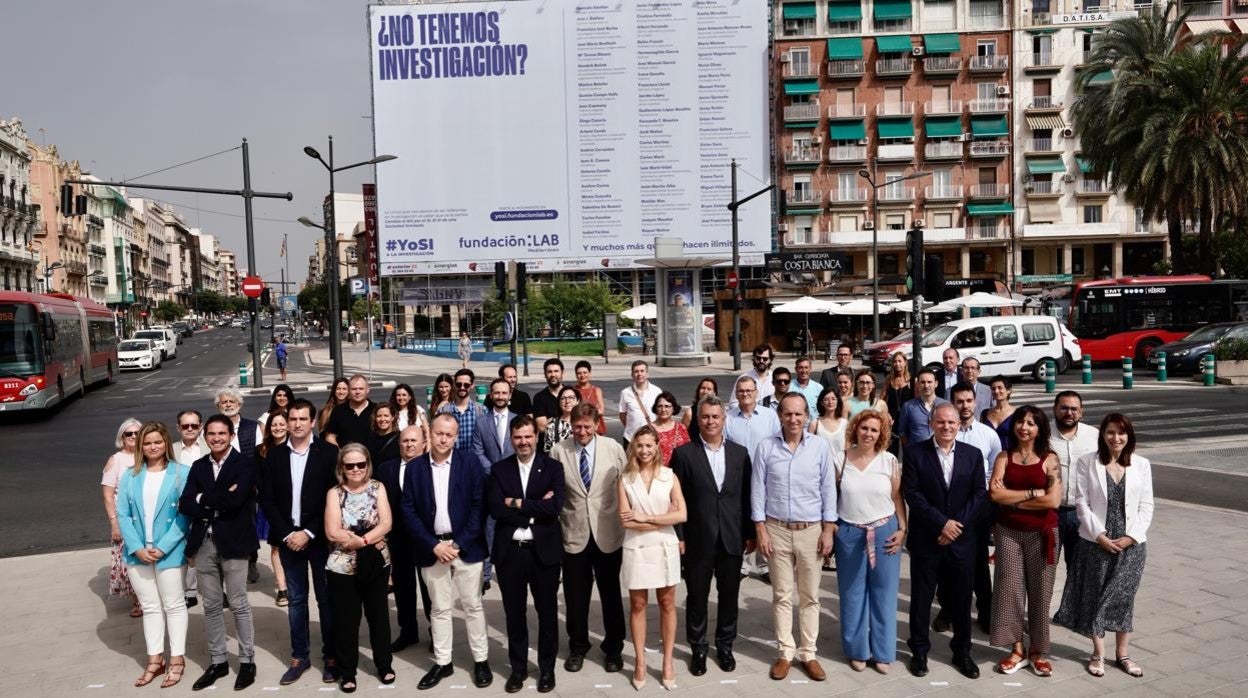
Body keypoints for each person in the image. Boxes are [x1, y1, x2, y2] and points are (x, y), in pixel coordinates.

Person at [1053, 413, 1153, 679]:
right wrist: (1099, 535)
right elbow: (1081, 503)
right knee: (1096, 597)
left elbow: (1146, 506)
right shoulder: (1089, 462)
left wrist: (1131, 536)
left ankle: (1123, 654)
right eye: (1110, 432)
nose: (1115, 438)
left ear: (1129, 436)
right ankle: (1097, 653)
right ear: (1103, 435)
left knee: (1123, 599)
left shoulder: (1141, 465)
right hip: (1096, 542)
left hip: (1131, 545)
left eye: (1121, 433)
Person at [402, 414, 492, 690]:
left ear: (455, 437)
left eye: (448, 435)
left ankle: (481, 661)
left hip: (465, 547)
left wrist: (457, 544)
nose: (443, 439)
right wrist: (434, 544)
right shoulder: (415, 468)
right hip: (433, 549)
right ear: (431, 434)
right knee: (439, 609)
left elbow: (480, 506)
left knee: (473, 606)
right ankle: (443, 662)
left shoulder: (470, 463)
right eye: (439, 433)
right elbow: (408, 510)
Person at [751, 393, 837, 682]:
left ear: (806, 416)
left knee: (811, 596)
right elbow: (758, 490)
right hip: (776, 530)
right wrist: (760, 528)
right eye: (788, 414)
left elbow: (828, 490)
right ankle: (785, 653)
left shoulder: (820, 447)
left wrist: (828, 529)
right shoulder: (766, 448)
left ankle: (808, 653)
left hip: (811, 530)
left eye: (798, 414)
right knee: (781, 595)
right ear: (780, 416)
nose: (793, 419)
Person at [259, 398, 341, 685]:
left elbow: (334, 499)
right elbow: (267, 499)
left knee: (326, 599)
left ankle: (331, 656)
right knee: (296, 600)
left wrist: (308, 532)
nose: (296, 424)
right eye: (292, 419)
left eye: (302, 419)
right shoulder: (276, 455)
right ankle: (299, 656)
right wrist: (287, 534)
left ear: (312, 421)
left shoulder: (329, 454)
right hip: (288, 540)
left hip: (318, 540)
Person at [670, 396, 753, 677]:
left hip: (731, 538)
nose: (710, 422)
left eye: (716, 417)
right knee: (697, 597)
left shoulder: (740, 454)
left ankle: (725, 645)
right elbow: (675, 499)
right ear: (698, 419)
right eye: (705, 417)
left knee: (729, 595)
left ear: (723, 419)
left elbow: (746, 496)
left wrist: (750, 534)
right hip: (698, 539)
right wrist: (679, 536)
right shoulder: (683, 454)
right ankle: (699, 648)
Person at [902, 403, 985, 680]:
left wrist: (955, 526)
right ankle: (919, 651)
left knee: (961, 598)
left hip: (961, 540)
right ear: (931, 424)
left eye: (951, 422)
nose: (946, 427)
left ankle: (962, 651)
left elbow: (978, 494)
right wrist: (942, 523)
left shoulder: (973, 455)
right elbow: (912, 494)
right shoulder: (915, 453)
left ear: (958, 425)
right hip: (927, 538)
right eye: (941, 422)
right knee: (922, 599)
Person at [179, 414, 259, 691]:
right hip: (204, 543)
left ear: (231, 436)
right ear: (205, 436)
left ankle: (247, 661)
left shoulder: (244, 464)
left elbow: (237, 501)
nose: (216, 438)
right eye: (211, 434)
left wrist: (204, 497)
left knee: (238, 602)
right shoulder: (199, 466)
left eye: (221, 434)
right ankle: (218, 661)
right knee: (211, 605)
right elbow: (185, 503)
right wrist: (216, 498)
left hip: (234, 542)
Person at [487, 416, 566, 694]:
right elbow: (496, 509)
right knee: (514, 615)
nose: (523, 442)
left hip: (543, 553)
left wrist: (517, 503)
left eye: (528, 436)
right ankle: (518, 669)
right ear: (512, 439)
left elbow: (554, 507)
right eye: (518, 437)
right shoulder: (499, 470)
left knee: (547, 614)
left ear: (536, 437)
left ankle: (547, 669)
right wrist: (534, 507)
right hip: (511, 554)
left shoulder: (553, 467)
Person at [550, 403, 627, 674]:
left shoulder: (614, 449)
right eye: (577, 426)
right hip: (574, 533)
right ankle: (578, 646)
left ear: (597, 425)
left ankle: (614, 648)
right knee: (575, 596)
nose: (582, 431)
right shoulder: (559, 450)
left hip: (608, 533)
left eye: (587, 426)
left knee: (610, 595)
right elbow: (554, 493)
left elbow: (626, 485)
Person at [116, 422, 192, 688]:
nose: (153, 447)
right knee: (150, 607)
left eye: (158, 442)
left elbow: (185, 515)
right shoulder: (130, 475)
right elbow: (123, 514)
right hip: (138, 552)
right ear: (140, 446)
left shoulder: (181, 473)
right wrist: (137, 547)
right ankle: (155, 660)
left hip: (169, 551)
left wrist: (163, 547)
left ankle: (177, 660)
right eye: (147, 443)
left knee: (174, 605)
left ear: (166, 443)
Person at [988, 404, 1062, 677]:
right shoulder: (1004, 457)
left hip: (1043, 534)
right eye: (1020, 422)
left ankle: (1039, 651)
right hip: (1007, 532)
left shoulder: (1049, 459)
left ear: (1040, 428)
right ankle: (1017, 648)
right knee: (1009, 591)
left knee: (1041, 593)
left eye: (1031, 423)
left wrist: (1013, 498)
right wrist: (1033, 492)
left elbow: (1053, 500)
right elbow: (995, 496)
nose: (1024, 427)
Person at [835, 410, 905, 674]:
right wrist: (830, 531)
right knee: (853, 594)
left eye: (874, 430)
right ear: (856, 429)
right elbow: (831, 497)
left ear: (881, 434)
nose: (868, 433)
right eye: (864, 428)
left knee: (884, 593)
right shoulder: (840, 460)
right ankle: (858, 651)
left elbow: (897, 498)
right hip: (850, 532)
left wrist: (902, 529)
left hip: (885, 531)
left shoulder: (889, 461)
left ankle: (884, 653)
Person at [618, 425, 687, 690]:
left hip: (664, 546)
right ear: (633, 447)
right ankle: (640, 661)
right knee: (637, 605)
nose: (644, 450)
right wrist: (662, 519)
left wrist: (645, 518)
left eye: (649, 445)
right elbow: (626, 522)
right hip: (636, 546)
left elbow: (681, 515)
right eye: (640, 445)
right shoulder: (624, 479)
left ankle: (668, 661)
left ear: (657, 446)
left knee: (667, 602)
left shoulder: (669, 476)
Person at [933, 382, 1003, 635]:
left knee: (978, 563)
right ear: (952, 403)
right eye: (959, 401)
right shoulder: (943, 431)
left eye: (968, 401)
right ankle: (947, 610)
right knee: (944, 562)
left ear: (975, 402)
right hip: (946, 507)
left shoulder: (987, 435)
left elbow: (996, 471)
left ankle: (986, 612)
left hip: (977, 508)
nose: (964, 405)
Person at [324, 444, 395, 692]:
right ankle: (348, 672)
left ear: (368, 465)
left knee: (379, 617)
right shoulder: (334, 493)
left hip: (375, 562)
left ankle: (384, 665)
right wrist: (356, 541)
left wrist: (362, 541)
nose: (355, 469)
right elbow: (331, 531)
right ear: (341, 467)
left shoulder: (378, 488)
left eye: (360, 465)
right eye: (349, 465)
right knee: (346, 621)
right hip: (343, 566)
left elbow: (386, 522)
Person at [375, 425, 433, 655]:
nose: (409, 445)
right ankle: (408, 631)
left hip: (426, 538)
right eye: (405, 441)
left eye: (413, 440)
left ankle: (436, 632)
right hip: (398, 538)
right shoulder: (386, 469)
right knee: (403, 588)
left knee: (430, 588)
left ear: (423, 444)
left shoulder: (432, 467)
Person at [724, 377, 778, 585]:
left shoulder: (770, 416)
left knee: (764, 520)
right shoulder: (728, 418)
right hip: (738, 478)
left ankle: (764, 565)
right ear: (736, 394)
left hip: (765, 476)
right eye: (741, 391)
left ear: (756, 392)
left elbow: (776, 444)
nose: (745, 394)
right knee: (742, 520)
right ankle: (743, 565)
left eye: (749, 390)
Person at [472, 378, 518, 590]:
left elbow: (524, 450)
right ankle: (486, 576)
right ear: (491, 395)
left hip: (514, 485)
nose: (500, 396)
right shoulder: (481, 422)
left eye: (504, 393)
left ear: (510, 395)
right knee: (489, 531)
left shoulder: (519, 421)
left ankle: (512, 569)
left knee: (513, 529)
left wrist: (507, 474)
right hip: (490, 485)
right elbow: (478, 451)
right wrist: (495, 472)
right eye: (496, 393)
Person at [1050, 390, 1100, 572]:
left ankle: (1075, 602)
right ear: (1054, 409)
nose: (1069, 413)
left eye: (1074, 409)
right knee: (1045, 568)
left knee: (1079, 570)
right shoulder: (1042, 433)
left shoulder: (1094, 435)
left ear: (1081, 412)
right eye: (1064, 408)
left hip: (1082, 514)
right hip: (1050, 513)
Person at [103, 418, 143, 618]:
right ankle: (136, 600)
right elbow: (108, 495)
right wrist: (114, 523)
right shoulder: (116, 460)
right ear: (122, 437)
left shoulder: (148, 454)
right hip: (125, 519)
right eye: (129, 434)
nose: (134, 437)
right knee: (129, 563)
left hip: (146, 517)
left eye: (137, 433)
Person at [171, 410, 206, 606]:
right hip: (180, 507)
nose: (190, 429)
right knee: (187, 550)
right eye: (186, 426)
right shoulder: (172, 450)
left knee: (212, 549)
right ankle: (190, 592)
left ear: (200, 426)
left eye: (194, 425)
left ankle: (220, 590)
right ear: (179, 428)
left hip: (206, 506)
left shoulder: (210, 446)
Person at [258, 410, 291, 607]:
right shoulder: (261, 450)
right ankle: (282, 588)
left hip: (292, 505)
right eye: (274, 424)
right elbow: (259, 480)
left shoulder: (295, 447)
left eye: (281, 424)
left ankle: (294, 582)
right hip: (270, 505)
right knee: (276, 546)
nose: (278, 428)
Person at [439, 369, 487, 453]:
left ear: (472, 385)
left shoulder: (482, 411)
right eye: (458, 384)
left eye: (466, 385)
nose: (462, 388)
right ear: (454, 385)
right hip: (451, 461)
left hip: (474, 462)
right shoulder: (443, 411)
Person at [898, 368, 949, 446]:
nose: (926, 386)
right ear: (918, 384)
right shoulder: (908, 406)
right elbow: (902, 432)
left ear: (936, 383)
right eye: (922, 382)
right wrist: (909, 450)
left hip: (940, 453)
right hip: (916, 454)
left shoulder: (946, 405)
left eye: (929, 382)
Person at [325, 374, 377, 448]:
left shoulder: (376, 409)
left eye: (361, 388)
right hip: (345, 457)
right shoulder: (338, 411)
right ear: (349, 390)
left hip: (372, 458)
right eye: (354, 389)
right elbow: (330, 436)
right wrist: (340, 453)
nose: (357, 392)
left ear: (368, 390)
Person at [214, 387, 262, 467]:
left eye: (232, 401)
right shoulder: (213, 427)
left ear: (239, 405)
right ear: (218, 406)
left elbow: (260, 454)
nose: (228, 405)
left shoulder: (252, 426)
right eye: (224, 402)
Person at [618, 360, 662, 445]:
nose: (639, 374)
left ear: (647, 374)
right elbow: (622, 415)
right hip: (631, 438)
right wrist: (632, 426)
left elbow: (660, 414)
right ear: (632, 375)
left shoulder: (657, 391)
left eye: (642, 371)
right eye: (636, 371)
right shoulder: (625, 392)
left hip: (651, 437)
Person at [882, 352, 912, 456]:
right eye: (895, 361)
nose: (897, 364)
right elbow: (881, 400)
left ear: (905, 363)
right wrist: (886, 414)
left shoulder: (911, 380)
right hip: (891, 419)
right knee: (891, 451)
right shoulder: (889, 380)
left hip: (906, 419)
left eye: (900, 361)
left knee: (908, 451)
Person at [650, 391, 690, 465]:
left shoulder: (681, 428)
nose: (663, 409)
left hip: (677, 472)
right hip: (655, 471)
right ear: (656, 408)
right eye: (660, 406)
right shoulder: (648, 429)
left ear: (673, 408)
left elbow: (688, 452)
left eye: (667, 406)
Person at [733, 343, 776, 409]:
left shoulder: (776, 379)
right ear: (754, 359)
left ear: (770, 360)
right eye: (758, 358)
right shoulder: (743, 378)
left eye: (765, 359)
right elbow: (733, 403)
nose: (761, 361)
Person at [531, 357, 566, 437]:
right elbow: (542, 427)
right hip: (547, 446)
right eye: (549, 372)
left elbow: (578, 420)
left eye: (556, 371)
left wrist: (551, 420)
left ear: (562, 373)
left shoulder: (571, 394)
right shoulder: (539, 398)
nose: (553, 374)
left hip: (569, 445)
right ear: (545, 374)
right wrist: (567, 420)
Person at [571, 360, 607, 435]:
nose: (582, 375)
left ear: (589, 373)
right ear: (576, 375)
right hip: (580, 430)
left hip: (597, 430)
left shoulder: (596, 390)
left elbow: (601, 411)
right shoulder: (572, 391)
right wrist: (594, 409)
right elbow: (571, 411)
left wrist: (582, 411)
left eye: (585, 372)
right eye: (579, 373)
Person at [980, 375, 1016, 446]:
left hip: (1009, 454)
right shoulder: (985, 413)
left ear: (1009, 390)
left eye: (1000, 388)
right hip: (989, 454)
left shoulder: (1017, 413)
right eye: (993, 389)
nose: (996, 391)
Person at [542, 386, 580, 454]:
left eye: (571, 398)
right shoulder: (552, 425)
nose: (567, 401)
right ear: (559, 402)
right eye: (563, 398)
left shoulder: (584, 422)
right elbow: (548, 452)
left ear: (578, 401)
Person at [680, 377, 718, 442]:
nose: (705, 391)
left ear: (714, 393)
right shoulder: (690, 413)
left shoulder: (719, 412)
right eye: (703, 388)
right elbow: (681, 436)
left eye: (709, 389)